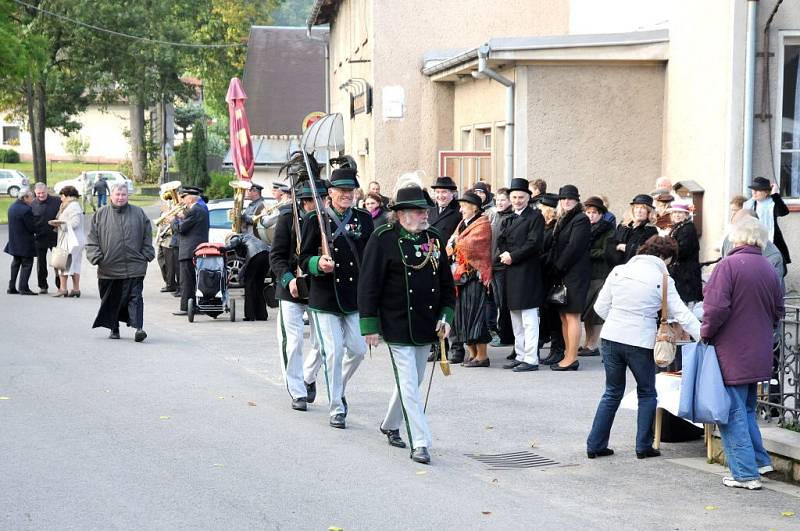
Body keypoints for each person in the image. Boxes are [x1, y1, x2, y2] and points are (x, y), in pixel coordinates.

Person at [359, 175, 455, 465]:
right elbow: (369, 283)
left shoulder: (434, 238)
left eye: (425, 210)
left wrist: (447, 315)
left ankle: (389, 423)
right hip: (396, 321)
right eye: (417, 211)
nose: (424, 215)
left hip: (427, 323)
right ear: (401, 214)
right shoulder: (383, 237)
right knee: (409, 383)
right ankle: (421, 441)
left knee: (412, 380)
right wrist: (370, 325)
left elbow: (447, 285)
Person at [587, 236, 701, 460]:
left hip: (611, 337)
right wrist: (703, 335)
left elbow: (600, 307)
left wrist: (619, 321)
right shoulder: (663, 278)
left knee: (611, 392)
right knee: (647, 392)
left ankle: (595, 444)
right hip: (640, 340)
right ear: (666, 257)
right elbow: (682, 314)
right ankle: (643, 446)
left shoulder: (619, 270)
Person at [701, 218, 784, 490]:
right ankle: (760, 461)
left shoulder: (728, 265)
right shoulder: (768, 268)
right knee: (747, 410)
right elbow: (778, 311)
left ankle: (745, 473)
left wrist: (706, 334)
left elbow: (715, 309)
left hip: (732, 351)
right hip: (759, 351)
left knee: (732, 413)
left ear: (735, 238)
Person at [299, 167, 373, 429]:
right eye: (342, 191)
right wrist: (319, 263)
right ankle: (336, 407)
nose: (347, 195)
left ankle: (336, 385)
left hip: (353, 297)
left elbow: (369, 258)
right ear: (330, 193)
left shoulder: (363, 219)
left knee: (358, 350)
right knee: (333, 352)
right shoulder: (314, 219)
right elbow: (303, 258)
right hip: (325, 298)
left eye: (350, 191)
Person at [270, 179, 325, 411]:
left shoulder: (327, 219)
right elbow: (277, 256)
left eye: (324, 198)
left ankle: (308, 377)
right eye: (317, 200)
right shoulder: (287, 219)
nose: (322, 203)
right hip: (291, 286)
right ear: (305, 202)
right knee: (292, 343)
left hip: (319, 288)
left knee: (323, 342)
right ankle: (297, 391)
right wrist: (288, 280)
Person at [86, 184, 155, 341]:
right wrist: (96, 257)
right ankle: (114, 328)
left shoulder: (138, 213)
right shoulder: (101, 214)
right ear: (111, 196)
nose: (120, 197)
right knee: (111, 299)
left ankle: (139, 328)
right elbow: (92, 239)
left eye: (123, 194)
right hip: (108, 267)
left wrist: (146, 254)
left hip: (135, 266)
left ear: (127, 196)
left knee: (135, 297)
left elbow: (147, 235)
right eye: (117, 194)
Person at [497, 178, 545, 373]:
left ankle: (531, 358)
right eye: (514, 197)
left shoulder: (535, 217)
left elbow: (534, 244)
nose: (517, 200)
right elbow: (501, 239)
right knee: (515, 316)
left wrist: (512, 256)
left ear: (528, 197)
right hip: (511, 269)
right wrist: (505, 254)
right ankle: (520, 354)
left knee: (529, 317)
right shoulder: (509, 217)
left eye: (521, 197)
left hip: (527, 271)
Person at [448, 190, 493, 367]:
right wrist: (454, 243)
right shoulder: (462, 223)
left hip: (476, 276)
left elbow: (474, 246)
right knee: (463, 317)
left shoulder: (483, 224)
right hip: (461, 276)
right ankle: (472, 353)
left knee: (477, 316)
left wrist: (456, 242)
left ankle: (482, 356)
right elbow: (453, 242)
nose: (461, 210)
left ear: (473, 208)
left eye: (464, 207)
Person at [549, 185, 590, 371]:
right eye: (564, 198)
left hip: (575, 273)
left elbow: (574, 247)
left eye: (571, 198)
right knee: (564, 315)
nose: (567, 201)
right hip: (564, 272)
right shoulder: (563, 219)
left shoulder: (580, 219)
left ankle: (572, 357)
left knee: (572, 315)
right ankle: (568, 354)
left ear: (577, 200)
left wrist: (558, 266)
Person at [579, 196, 614, 357]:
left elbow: (606, 251)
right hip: (586, 273)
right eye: (588, 212)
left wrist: (587, 253)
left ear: (601, 214)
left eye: (594, 212)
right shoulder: (583, 228)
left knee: (596, 311)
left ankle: (593, 344)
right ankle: (587, 342)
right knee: (586, 311)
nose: (591, 215)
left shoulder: (607, 229)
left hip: (600, 274)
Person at [171, 186, 210, 316]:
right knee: (191, 280)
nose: (182, 200)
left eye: (184, 197)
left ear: (191, 197)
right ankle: (193, 306)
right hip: (194, 249)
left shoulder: (196, 210)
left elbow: (182, 229)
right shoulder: (198, 209)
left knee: (186, 281)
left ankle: (186, 308)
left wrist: (173, 221)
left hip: (189, 250)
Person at [537, 193, 565, 366]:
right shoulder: (545, 226)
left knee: (554, 314)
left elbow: (552, 253)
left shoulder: (555, 228)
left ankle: (558, 349)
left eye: (541, 208)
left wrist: (538, 261)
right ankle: (552, 347)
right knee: (547, 314)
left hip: (552, 275)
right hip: (543, 275)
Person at [743, 176, 791, 268]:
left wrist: (775, 194)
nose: (754, 192)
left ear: (766, 192)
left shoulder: (772, 203)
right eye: (753, 189)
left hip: (773, 240)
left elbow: (784, 212)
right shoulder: (749, 204)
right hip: (754, 241)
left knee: (775, 269)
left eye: (758, 190)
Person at [223, 232, 270, 321]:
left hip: (255, 256)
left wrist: (225, 248)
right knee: (259, 286)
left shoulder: (237, 237)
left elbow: (235, 241)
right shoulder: (250, 237)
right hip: (266, 256)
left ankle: (250, 315)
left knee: (249, 285)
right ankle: (262, 315)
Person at [50, 186, 85, 298]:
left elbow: (75, 223)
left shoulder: (73, 206)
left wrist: (60, 223)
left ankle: (63, 289)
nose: (61, 198)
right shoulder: (72, 205)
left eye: (62, 196)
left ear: (67, 195)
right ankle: (76, 289)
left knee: (63, 264)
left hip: (70, 240)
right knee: (75, 264)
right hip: (75, 239)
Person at [489, 188, 514, 347]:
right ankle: (502, 332)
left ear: (509, 201)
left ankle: (506, 335)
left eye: (503, 200)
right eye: (497, 200)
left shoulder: (510, 218)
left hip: (503, 266)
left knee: (504, 302)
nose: (499, 203)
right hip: (493, 265)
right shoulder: (496, 216)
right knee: (498, 302)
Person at [667, 202, 702, 305]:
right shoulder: (679, 227)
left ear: (686, 215)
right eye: (675, 212)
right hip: (681, 272)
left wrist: (668, 253)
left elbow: (682, 250)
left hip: (686, 274)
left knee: (685, 303)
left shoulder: (687, 228)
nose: (677, 215)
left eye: (680, 213)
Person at [609, 194, 659, 266]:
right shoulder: (623, 226)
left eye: (643, 208)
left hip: (636, 269)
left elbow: (648, 254)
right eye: (636, 207)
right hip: (617, 268)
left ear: (649, 211)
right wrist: (615, 248)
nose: (639, 211)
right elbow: (611, 243)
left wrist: (627, 248)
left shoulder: (651, 230)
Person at [4, 189, 37, 295]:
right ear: (25, 198)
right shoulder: (26, 210)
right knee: (27, 264)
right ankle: (23, 288)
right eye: (31, 197)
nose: (33, 200)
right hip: (25, 242)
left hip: (14, 240)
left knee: (15, 263)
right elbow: (31, 228)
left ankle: (11, 287)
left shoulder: (12, 207)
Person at [30, 182, 61, 294]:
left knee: (58, 263)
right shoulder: (32, 204)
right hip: (39, 237)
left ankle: (60, 286)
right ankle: (43, 286)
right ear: (35, 192)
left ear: (47, 191)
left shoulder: (57, 201)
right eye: (38, 193)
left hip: (55, 236)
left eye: (43, 192)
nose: (41, 195)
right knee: (41, 263)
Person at [427, 176, 461, 243]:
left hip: (447, 252)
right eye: (437, 192)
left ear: (452, 193)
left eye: (444, 192)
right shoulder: (429, 209)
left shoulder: (459, 210)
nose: (440, 196)